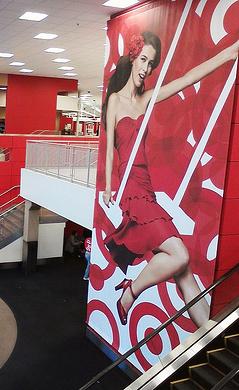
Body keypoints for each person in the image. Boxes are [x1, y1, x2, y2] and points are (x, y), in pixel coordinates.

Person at [102, 32, 239, 328]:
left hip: (147, 190)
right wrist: (108, 186)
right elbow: (110, 149)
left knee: (183, 270)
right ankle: (131, 291)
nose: (146, 69)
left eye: (151, 64)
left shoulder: (148, 99)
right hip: (132, 191)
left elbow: (187, 79)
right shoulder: (115, 100)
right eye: (142, 60)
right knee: (179, 254)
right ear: (132, 58)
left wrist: (228, 54)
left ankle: (209, 334)